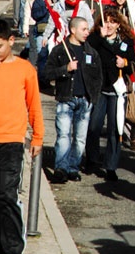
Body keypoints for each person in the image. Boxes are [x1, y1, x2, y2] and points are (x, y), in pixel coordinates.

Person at [0, 19, 44, 254]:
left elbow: (34, 104)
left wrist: (38, 137)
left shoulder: (25, 69)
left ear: (11, 42)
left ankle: (13, 253)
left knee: (7, 195)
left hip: (12, 141)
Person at [44, 18, 102, 183]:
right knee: (63, 135)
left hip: (85, 102)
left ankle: (73, 167)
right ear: (73, 30)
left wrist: (93, 98)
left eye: (87, 29)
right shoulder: (60, 50)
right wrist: (66, 69)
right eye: (84, 29)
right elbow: (47, 73)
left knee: (80, 138)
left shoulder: (91, 52)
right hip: (66, 99)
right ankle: (61, 168)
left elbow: (98, 76)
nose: (87, 32)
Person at [85, 10, 135, 181]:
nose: (109, 24)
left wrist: (125, 63)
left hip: (117, 90)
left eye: (113, 22)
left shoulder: (126, 41)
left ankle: (111, 165)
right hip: (100, 88)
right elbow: (88, 50)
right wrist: (100, 36)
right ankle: (92, 159)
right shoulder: (96, 37)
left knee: (115, 128)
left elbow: (133, 63)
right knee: (94, 126)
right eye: (106, 21)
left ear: (119, 24)